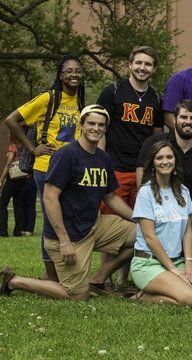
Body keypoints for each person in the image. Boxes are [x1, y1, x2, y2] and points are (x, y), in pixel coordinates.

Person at [0, 105, 136, 300]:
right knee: (77, 295)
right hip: (68, 236)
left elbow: (110, 197)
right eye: (91, 123)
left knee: (145, 235)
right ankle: (13, 280)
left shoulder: (103, 158)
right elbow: (49, 197)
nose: (95, 128)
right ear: (81, 125)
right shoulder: (66, 155)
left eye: (100, 125)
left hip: (95, 227)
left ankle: (98, 279)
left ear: (105, 128)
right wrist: (64, 241)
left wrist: (140, 219)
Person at [5, 55, 85, 281]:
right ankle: (51, 275)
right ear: (60, 75)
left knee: (66, 218)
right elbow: (11, 120)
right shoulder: (47, 98)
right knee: (51, 221)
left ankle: (59, 270)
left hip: (71, 169)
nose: (74, 75)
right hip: (46, 167)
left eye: (78, 71)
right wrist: (32, 148)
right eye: (69, 71)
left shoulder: (81, 102)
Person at [130, 140, 192, 305]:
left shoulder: (183, 191)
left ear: (175, 161)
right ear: (153, 163)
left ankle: (171, 286)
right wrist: (172, 269)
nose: (165, 161)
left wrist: (188, 265)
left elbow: (188, 232)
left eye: (169, 157)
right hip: (149, 262)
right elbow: (149, 236)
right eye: (159, 158)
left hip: (178, 261)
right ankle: (142, 296)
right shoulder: (146, 193)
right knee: (189, 298)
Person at [97, 45, 164, 213]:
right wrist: (100, 162)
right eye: (138, 63)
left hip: (143, 171)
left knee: (142, 221)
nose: (142, 68)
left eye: (148, 64)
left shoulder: (156, 99)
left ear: (154, 68)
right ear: (130, 65)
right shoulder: (113, 91)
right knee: (111, 221)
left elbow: (157, 138)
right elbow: (99, 131)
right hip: (115, 169)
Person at [136, 99, 192, 236]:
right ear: (174, 119)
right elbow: (142, 179)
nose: (188, 121)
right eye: (183, 117)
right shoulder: (155, 143)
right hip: (158, 213)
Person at [0, 139, 37, 237]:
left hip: (12, 178)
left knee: (2, 204)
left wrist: (1, 180)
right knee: (18, 205)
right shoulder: (26, 146)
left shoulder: (13, 146)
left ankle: (3, 231)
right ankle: (18, 231)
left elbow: (8, 164)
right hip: (23, 178)